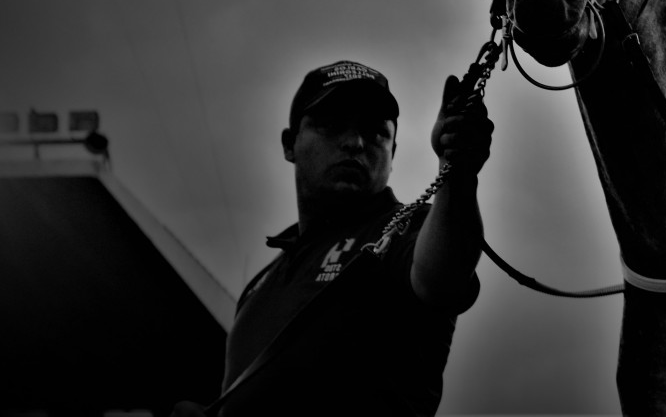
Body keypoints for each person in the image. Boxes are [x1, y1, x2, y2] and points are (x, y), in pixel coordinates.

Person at [172, 59, 493, 416]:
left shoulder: (406, 229)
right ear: (289, 143)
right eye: (332, 126)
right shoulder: (258, 286)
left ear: (393, 154)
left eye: (375, 133)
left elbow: (441, 278)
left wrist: (458, 172)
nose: (355, 142)